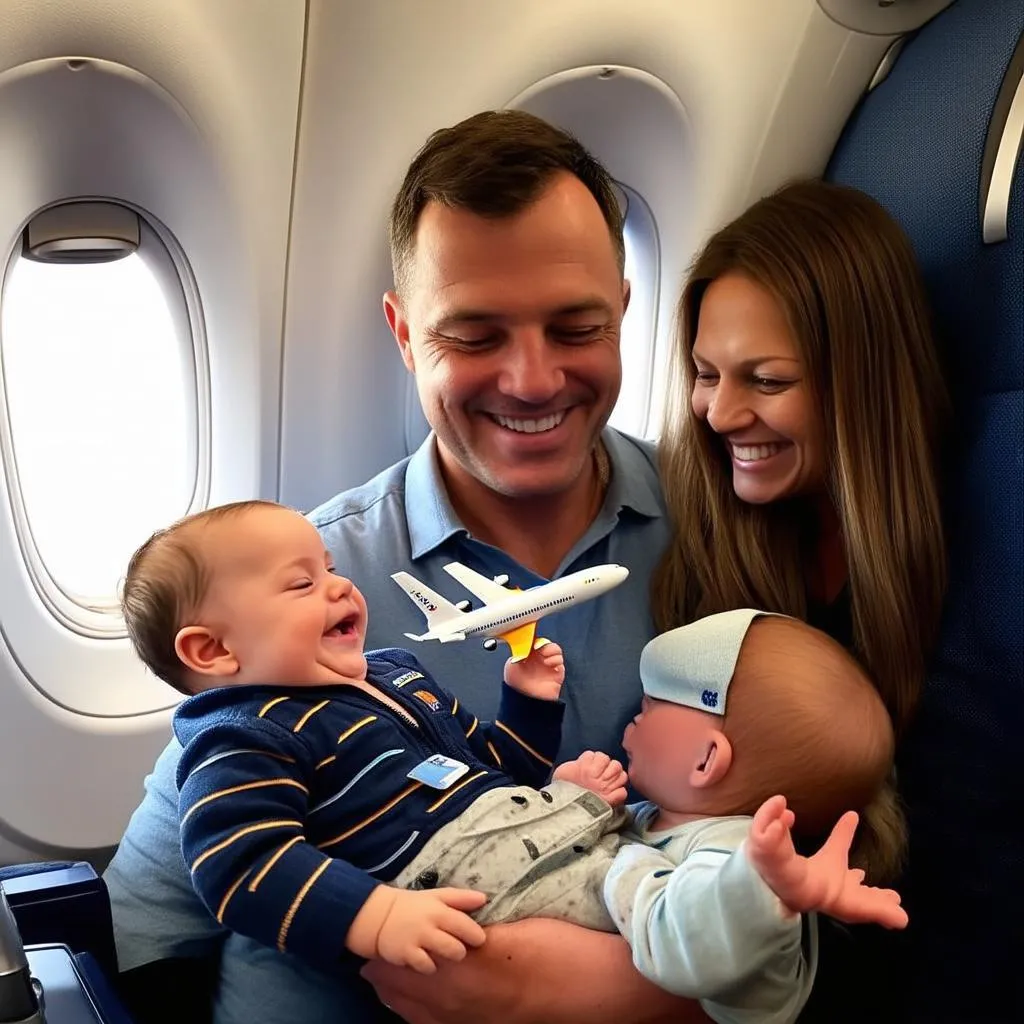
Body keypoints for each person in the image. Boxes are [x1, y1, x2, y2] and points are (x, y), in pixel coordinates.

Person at [103, 109, 684, 1024]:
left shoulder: (723, 533)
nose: (532, 380)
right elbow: (153, 919)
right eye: (475, 336)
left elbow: (809, 853)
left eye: (576, 326)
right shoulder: (303, 585)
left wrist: (615, 994)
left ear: (622, 306)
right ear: (405, 333)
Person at [123, 499, 905, 1024]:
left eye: (329, 568)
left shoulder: (392, 674)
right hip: (444, 890)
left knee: (645, 870)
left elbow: (493, 771)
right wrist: (373, 914)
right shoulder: (242, 735)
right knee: (646, 880)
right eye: (304, 583)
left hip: (518, 842)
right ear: (213, 650)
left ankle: (745, 916)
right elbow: (237, 861)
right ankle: (745, 918)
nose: (338, 587)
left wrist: (525, 702)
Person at [651, 179, 950, 1021]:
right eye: (706, 374)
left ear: (863, 380)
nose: (720, 413)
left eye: (768, 380)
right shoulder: (713, 542)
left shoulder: (971, 554)